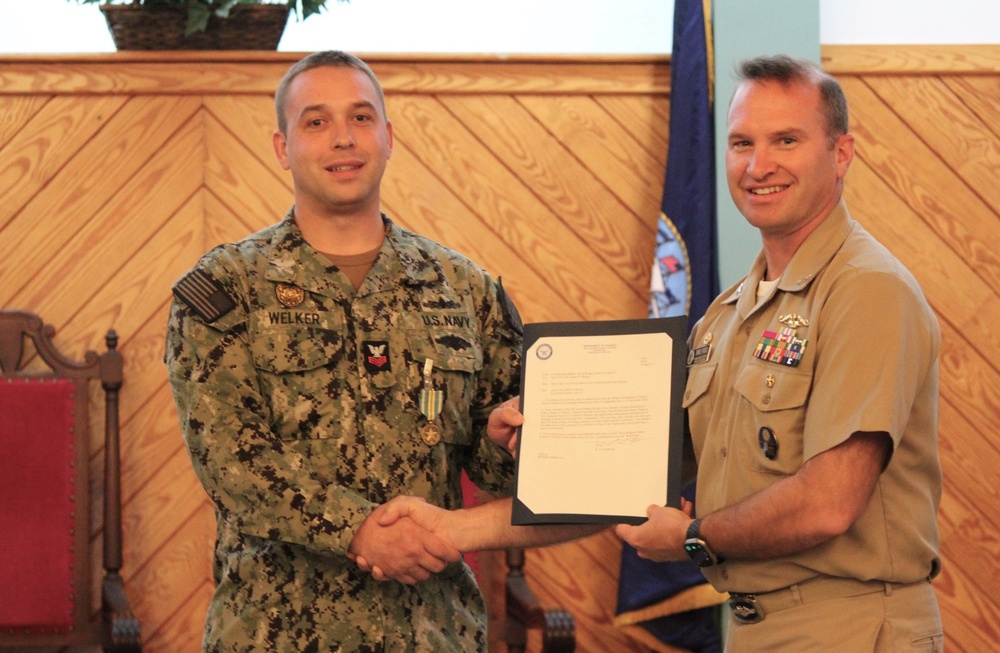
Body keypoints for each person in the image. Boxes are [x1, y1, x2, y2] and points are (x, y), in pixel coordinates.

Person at [165, 50, 531, 652]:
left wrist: (501, 439)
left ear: (388, 138)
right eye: (316, 122)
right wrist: (358, 529)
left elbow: (495, 472)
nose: (343, 138)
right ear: (282, 147)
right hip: (275, 632)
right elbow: (231, 460)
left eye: (362, 118)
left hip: (432, 631)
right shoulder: (227, 287)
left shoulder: (463, 288)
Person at [609, 55, 944, 651]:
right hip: (755, 626)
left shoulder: (865, 289)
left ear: (841, 154)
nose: (758, 166)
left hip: (850, 627)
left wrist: (693, 538)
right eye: (742, 143)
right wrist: (545, 440)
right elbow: (656, 466)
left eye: (785, 140)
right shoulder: (729, 311)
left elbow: (828, 503)